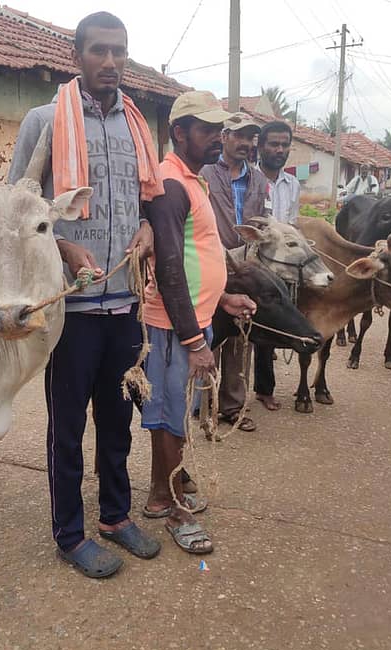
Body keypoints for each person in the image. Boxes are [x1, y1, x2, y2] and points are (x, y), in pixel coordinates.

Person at [8, 11, 164, 578]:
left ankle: (116, 518)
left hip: (124, 300)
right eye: (99, 50)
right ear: (77, 56)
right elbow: (18, 209)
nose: (111, 62)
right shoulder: (44, 121)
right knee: (68, 427)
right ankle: (70, 534)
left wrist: (147, 228)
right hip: (70, 306)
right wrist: (67, 247)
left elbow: (149, 199)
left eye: (119, 51)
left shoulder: (136, 125)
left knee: (118, 422)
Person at [141, 91, 257, 553]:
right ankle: (172, 508)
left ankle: (157, 495)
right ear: (178, 133)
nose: (217, 137)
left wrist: (223, 297)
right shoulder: (171, 183)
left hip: (193, 318)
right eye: (207, 129)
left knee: (175, 413)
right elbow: (168, 268)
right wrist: (194, 339)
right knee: (170, 416)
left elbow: (196, 256)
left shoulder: (194, 180)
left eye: (219, 129)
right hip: (174, 325)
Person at [199, 113, 268, 431]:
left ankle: (233, 406)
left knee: (242, 336)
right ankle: (205, 406)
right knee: (209, 334)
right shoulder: (204, 174)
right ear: (224, 136)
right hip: (212, 262)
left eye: (250, 137)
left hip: (248, 264)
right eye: (238, 136)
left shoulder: (258, 179)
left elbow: (264, 220)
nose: (244, 143)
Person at [253, 120, 300, 411]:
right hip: (255, 261)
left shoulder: (292, 184)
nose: (279, 149)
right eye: (273, 143)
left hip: (282, 265)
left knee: (273, 325)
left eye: (284, 145)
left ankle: (264, 388)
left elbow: (293, 225)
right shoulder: (250, 178)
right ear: (261, 146)